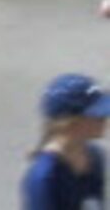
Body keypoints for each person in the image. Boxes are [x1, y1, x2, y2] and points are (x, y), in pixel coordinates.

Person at [25, 76, 110, 210]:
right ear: (70, 123)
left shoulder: (96, 157)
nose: (105, 119)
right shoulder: (45, 177)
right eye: (97, 116)